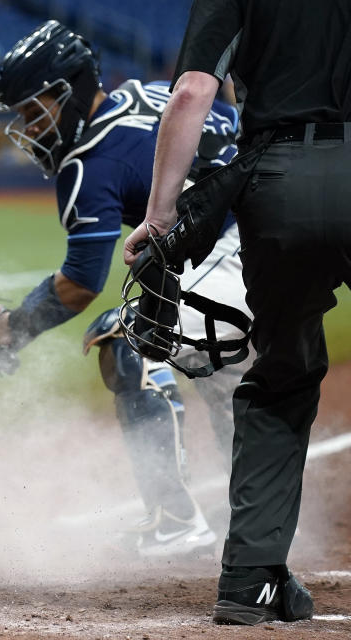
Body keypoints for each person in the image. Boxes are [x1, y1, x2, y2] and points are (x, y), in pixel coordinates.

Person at [0, 21, 250, 557]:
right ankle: (259, 518)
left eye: (35, 111)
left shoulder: (85, 166)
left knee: (131, 337)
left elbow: (80, 284)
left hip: (239, 247)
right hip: (269, 228)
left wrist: (9, 328)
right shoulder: (141, 93)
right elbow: (230, 119)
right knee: (226, 382)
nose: (30, 129)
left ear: (68, 91)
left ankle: (173, 521)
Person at [123, 0, 348, 627]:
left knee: (280, 376)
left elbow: (194, 92)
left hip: (280, 182)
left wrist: (161, 217)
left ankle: (250, 581)